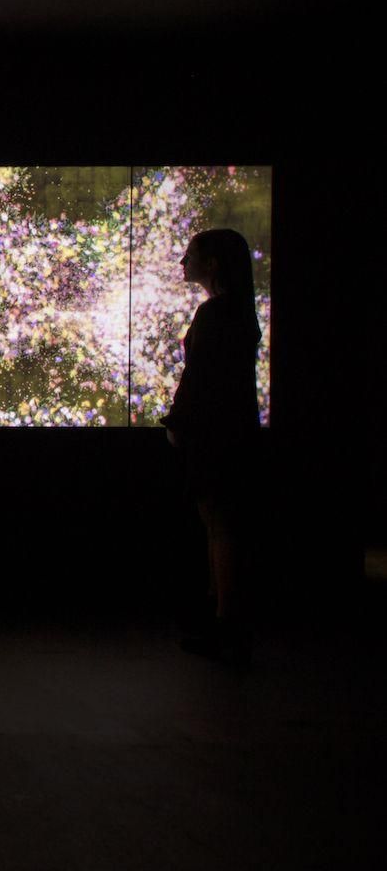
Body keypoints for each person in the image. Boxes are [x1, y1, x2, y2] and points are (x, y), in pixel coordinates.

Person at [161, 228, 260, 664]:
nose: (183, 263)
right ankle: (223, 619)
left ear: (213, 263)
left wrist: (178, 421)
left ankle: (226, 624)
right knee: (222, 524)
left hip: (213, 436)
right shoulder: (239, 313)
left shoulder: (216, 313)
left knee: (220, 526)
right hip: (234, 431)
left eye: (190, 254)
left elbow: (198, 376)